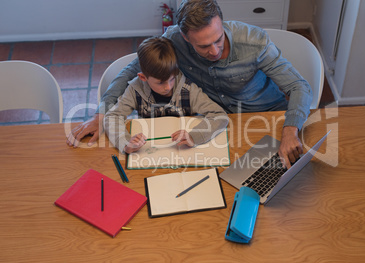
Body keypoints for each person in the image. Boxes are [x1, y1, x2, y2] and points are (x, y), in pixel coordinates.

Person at [67, 0, 312, 168]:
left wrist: (290, 130)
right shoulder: (174, 39)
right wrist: (102, 112)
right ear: (184, 37)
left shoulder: (255, 41)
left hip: (267, 119)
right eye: (203, 46)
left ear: (221, 23)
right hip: (217, 125)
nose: (215, 50)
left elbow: (300, 87)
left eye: (218, 40)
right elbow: (131, 71)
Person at [103, 36, 228, 154]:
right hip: (150, 151)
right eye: (160, 82)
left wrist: (194, 137)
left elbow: (219, 115)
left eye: (172, 79)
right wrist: (125, 143)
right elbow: (113, 116)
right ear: (143, 77)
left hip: (185, 150)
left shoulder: (188, 89)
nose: (168, 87)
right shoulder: (134, 90)